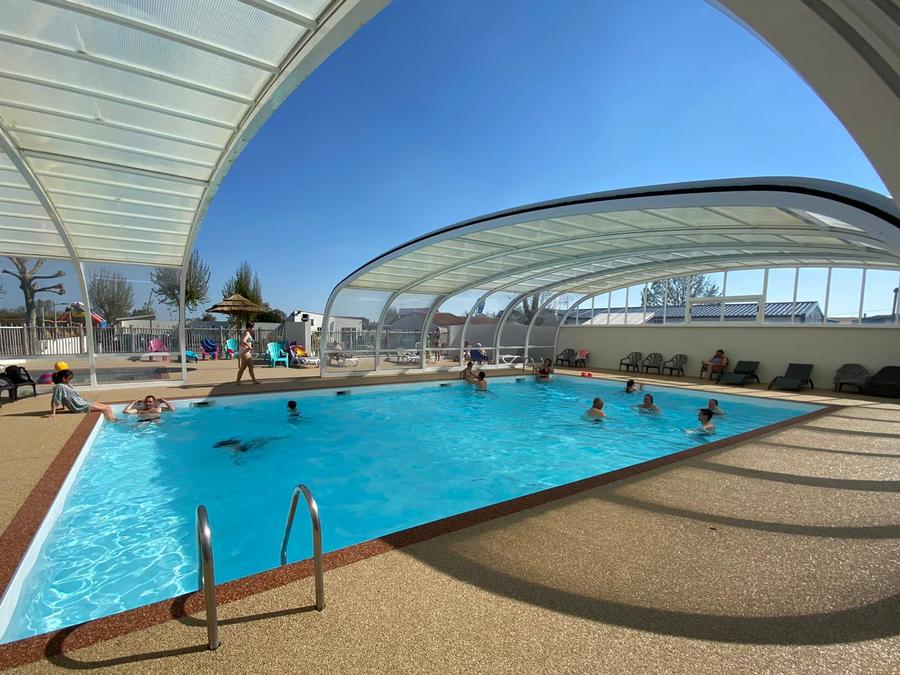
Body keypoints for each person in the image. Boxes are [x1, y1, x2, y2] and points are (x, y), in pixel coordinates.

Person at [48, 370, 116, 421]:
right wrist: (53, 413)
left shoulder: (67, 385)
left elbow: (63, 397)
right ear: (64, 378)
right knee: (106, 409)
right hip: (78, 406)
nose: (71, 380)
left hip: (82, 402)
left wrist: (63, 407)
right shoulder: (60, 386)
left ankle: (114, 420)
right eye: (69, 378)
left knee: (108, 407)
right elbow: (55, 399)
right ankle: (112, 423)